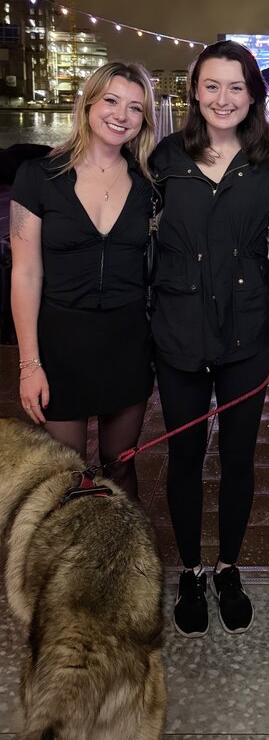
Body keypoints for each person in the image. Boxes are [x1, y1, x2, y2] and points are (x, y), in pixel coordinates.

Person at [150, 40, 269, 638]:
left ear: (253, 95)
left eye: (236, 87)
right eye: (211, 85)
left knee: (238, 456)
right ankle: (191, 570)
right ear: (194, 92)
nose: (223, 98)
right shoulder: (163, 157)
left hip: (246, 331)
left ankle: (228, 567)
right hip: (177, 330)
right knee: (183, 456)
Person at [10, 61, 157, 502]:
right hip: (61, 344)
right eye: (111, 100)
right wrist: (29, 364)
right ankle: (68, 550)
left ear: (144, 119)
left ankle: (126, 545)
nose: (121, 115)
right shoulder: (38, 176)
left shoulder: (148, 185)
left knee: (120, 463)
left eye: (135, 107)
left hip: (127, 342)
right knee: (64, 473)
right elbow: (25, 273)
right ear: (88, 103)